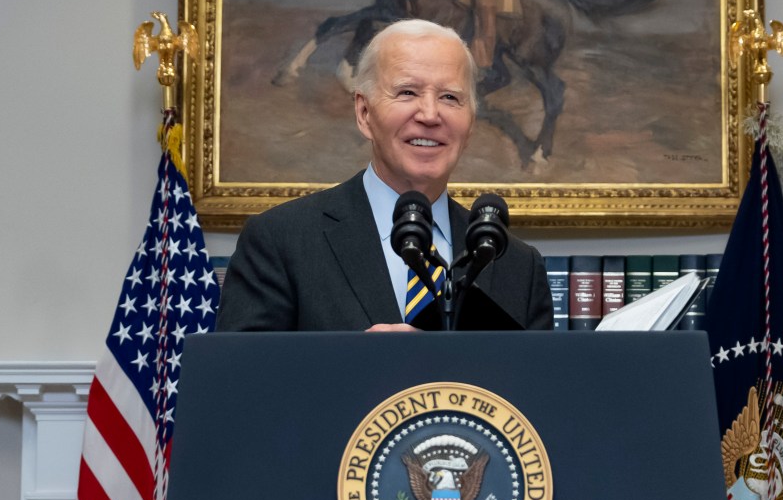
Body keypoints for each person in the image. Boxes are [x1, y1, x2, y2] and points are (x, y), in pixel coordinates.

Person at [216, 19, 553, 332]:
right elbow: (243, 384)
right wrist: (362, 367)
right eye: (407, 92)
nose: (430, 114)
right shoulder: (281, 241)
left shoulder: (517, 264)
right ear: (364, 113)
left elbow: (536, 392)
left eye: (450, 97)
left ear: (471, 124)